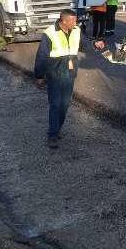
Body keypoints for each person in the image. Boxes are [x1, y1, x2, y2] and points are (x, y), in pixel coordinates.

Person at [33, 9, 104, 148]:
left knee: (64, 104)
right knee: (55, 104)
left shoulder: (76, 30)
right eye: (72, 20)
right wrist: (39, 75)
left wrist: (95, 44)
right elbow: (41, 56)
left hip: (70, 72)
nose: (75, 22)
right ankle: (52, 135)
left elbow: (84, 44)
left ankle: (57, 129)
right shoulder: (49, 33)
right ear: (63, 21)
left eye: (75, 20)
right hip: (54, 72)